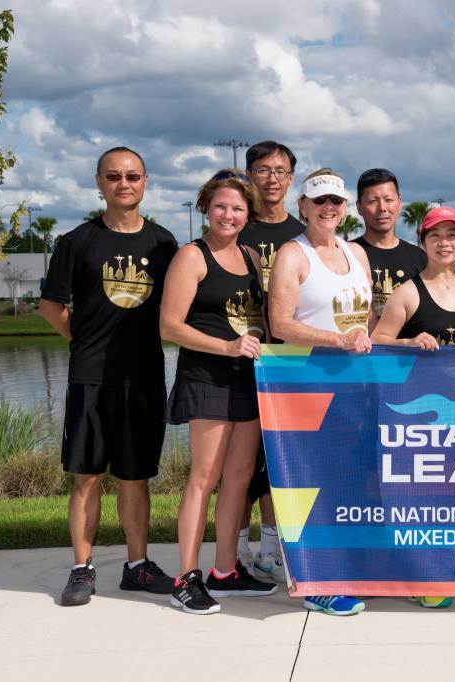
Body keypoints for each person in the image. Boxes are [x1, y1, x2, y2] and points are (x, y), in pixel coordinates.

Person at [40, 146, 178, 607]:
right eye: (114, 176)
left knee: (136, 477)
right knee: (87, 476)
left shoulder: (163, 243)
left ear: (145, 181)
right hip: (91, 379)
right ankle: (82, 569)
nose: (124, 184)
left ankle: (137, 566)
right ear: (99, 182)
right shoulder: (77, 242)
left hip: (143, 377)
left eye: (133, 176)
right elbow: (51, 306)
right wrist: (82, 343)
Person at [161, 169, 277, 615]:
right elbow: (170, 325)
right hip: (207, 376)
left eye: (237, 208)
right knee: (204, 478)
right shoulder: (192, 256)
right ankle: (186, 577)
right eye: (220, 207)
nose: (228, 215)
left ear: (248, 214)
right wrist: (226, 346)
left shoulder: (249, 256)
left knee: (240, 477)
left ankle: (225, 571)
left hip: (247, 379)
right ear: (205, 209)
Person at [267, 168, 373, 616]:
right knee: (310, 486)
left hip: (355, 389)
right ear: (302, 207)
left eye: (336, 202)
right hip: (307, 384)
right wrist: (338, 340)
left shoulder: (357, 255)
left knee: (347, 483)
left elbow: (366, 323)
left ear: (345, 208)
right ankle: (312, 581)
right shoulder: (294, 254)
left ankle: (343, 568)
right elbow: (281, 325)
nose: (329, 208)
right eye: (319, 201)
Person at [372, 206, 455, 609]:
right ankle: (425, 574)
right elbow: (378, 341)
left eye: (453, 236)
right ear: (423, 242)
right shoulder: (408, 291)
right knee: (424, 496)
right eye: (436, 236)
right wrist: (409, 342)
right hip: (424, 412)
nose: (445, 243)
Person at [235, 140, 306, 584]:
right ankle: (236, 549)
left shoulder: (301, 236)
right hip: (241, 359)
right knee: (240, 465)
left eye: (281, 170)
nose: (273, 178)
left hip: (289, 363)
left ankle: (271, 546)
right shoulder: (238, 229)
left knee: (278, 460)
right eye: (263, 170)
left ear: (291, 177)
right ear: (249, 175)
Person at [350, 168, 427, 317]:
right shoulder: (347, 254)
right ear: (359, 207)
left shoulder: (420, 258)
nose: (382, 208)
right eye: (373, 201)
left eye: (389, 200)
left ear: (399, 202)